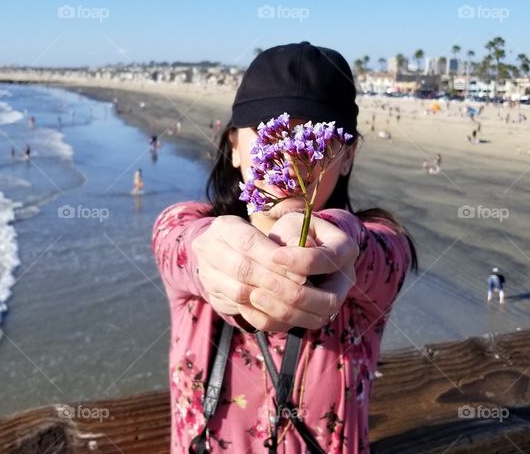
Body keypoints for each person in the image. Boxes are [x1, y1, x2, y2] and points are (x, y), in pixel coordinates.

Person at [152, 42, 417, 454]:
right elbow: (176, 243)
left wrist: (344, 243)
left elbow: (384, 256)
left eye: (311, 136)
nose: (290, 157)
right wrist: (213, 257)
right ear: (234, 146)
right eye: (273, 134)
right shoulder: (188, 224)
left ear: (347, 156)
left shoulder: (373, 246)